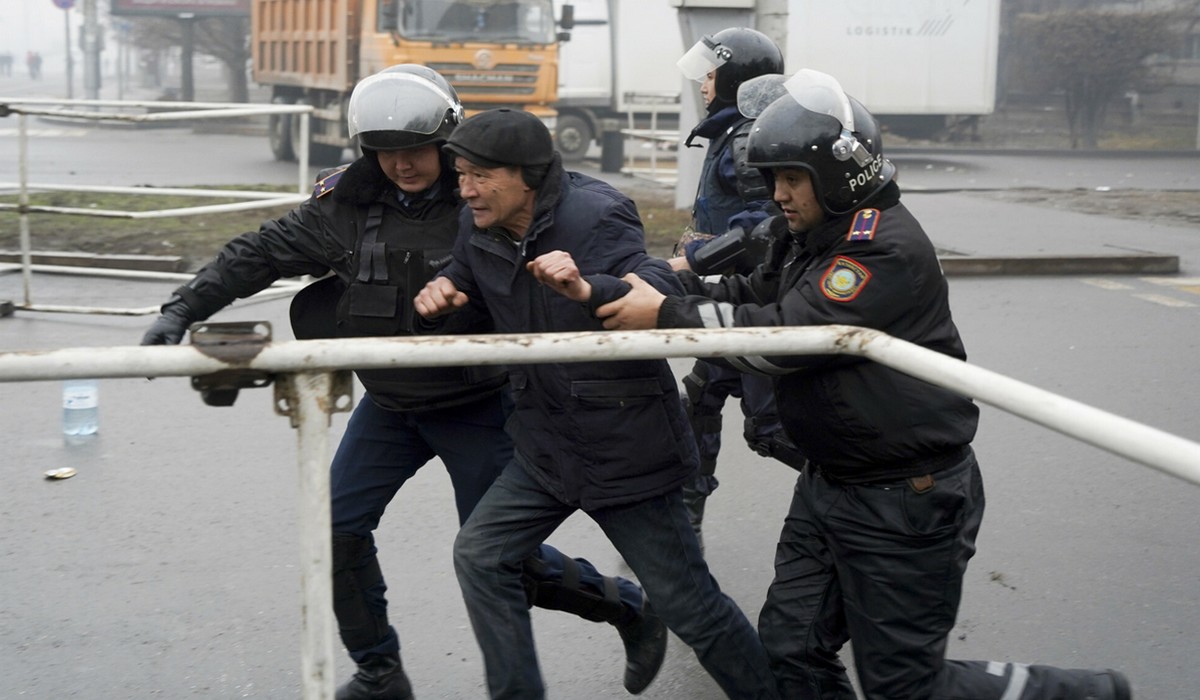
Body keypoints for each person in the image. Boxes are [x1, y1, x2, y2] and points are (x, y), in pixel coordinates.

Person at [593, 69, 1133, 700]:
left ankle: (1081, 694)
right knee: (790, 650)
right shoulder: (814, 239)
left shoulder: (878, 250)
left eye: (793, 178)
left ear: (839, 173)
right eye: (774, 179)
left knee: (904, 687)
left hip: (905, 496)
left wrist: (663, 316)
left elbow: (786, 340)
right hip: (832, 481)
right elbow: (751, 292)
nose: (780, 195)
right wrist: (665, 288)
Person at [140, 66, 666, 700]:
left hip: (480, 403)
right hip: (390, 404)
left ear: (447, 142)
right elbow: (255, 254)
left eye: (415, 149)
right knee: (331, 530)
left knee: (503, 558)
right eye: (385, 151)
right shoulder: (343, 206)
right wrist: (181, 309)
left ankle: (625, 607)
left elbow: (578, 247)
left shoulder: (484, 197)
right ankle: (380, 671)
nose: (402, 165)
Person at [413, 107, 780, 700]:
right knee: (481, 557)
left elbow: (654, 285)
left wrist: (586, 289)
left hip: (624, 444)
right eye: (460, 174)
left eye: (479, 175)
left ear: (526, 175)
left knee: (691, 607)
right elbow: (469, 289)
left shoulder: (597, 212)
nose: (466, 189)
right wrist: (443, 301)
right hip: (545, 445)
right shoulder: (474, 225)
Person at [671, 27, 790, 550]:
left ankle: (866, 492)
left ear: (736, 79)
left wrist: (691, 259)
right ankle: (683, 522)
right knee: (700, 396)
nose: (703, 84)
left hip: (754, 298)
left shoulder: (745, 139)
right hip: (734, 294)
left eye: (712, 74)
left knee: (769, 427)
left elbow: (762, 227)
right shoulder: (733, 131)